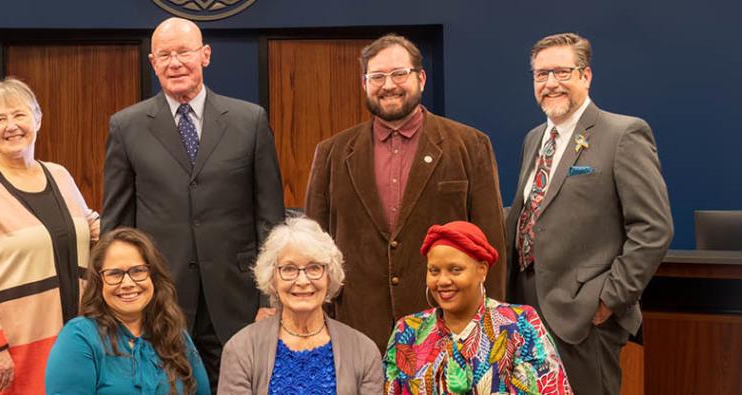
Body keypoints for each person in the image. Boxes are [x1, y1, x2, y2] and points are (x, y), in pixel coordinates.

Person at [102, 17, 285, 385]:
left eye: (183, 52)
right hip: (160, 300)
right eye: (164, 55)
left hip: (239, 301)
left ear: (205, 55)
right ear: (153, 63)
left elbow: (271, 220)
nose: (175, 63)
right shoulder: (127, 127)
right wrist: (121, 301)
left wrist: (270, 300)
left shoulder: (249, 121)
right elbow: (116, 229)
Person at [304, 33, 507, 350]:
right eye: (378, 77)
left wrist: (489, 328)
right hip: (357, 329)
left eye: (399, 74)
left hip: (449, 327)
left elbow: (491, 243)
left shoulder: (469, 145)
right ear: (364, 84)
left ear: (421, 78)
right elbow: (312, 246)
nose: (389, 85)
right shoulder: (332, 153)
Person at [504, 32, 673, 395]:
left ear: (586, 75)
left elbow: (653, 229)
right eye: (541, 74)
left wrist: (609, 299)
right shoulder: (534, 138)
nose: (551, 83)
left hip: (584, 315)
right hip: (524, 309)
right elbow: (535, 212)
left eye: (562, 72)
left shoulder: (623, 134)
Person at [0, 77, 102, 394]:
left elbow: (91, 230)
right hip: (9, 350)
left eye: (19, 115)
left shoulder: (59, 175)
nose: (11, 126)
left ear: (38, 119)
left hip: (73, 337)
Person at [385, 221, 570, 395]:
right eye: (434, 271)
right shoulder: (407, 331)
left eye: (455, 269)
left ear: (482, 270)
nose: (442, 281)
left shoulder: (520, 324)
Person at [217, 217, 384, 394]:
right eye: (289, 269)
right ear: (272, 278)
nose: (302, 280)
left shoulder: (363, 351)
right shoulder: (241, 349)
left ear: (329, 275)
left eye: (314, 268)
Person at [45, 228, 210, 394]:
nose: (127, 283)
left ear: (153, 276)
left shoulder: (172, 331)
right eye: (115, 274)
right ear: (99, 282)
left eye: (138, 271)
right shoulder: (79, 337)